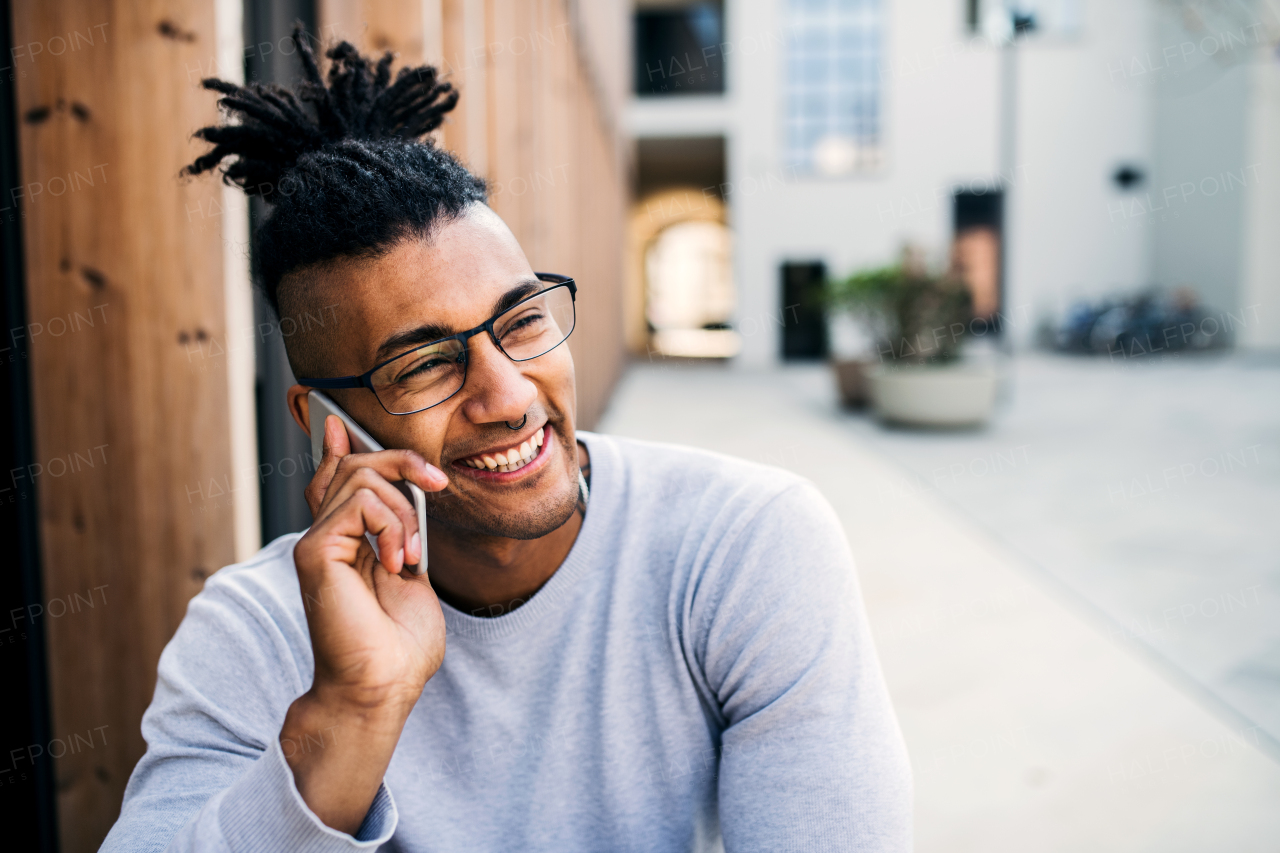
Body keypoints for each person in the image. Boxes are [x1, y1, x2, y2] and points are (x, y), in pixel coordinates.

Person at [101, 31, 911, 853]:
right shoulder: (257, 630)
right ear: (322, 424)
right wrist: (350, 714)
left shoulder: (743, 545)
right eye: (424, 365)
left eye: (522, 321)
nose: (510, 395)